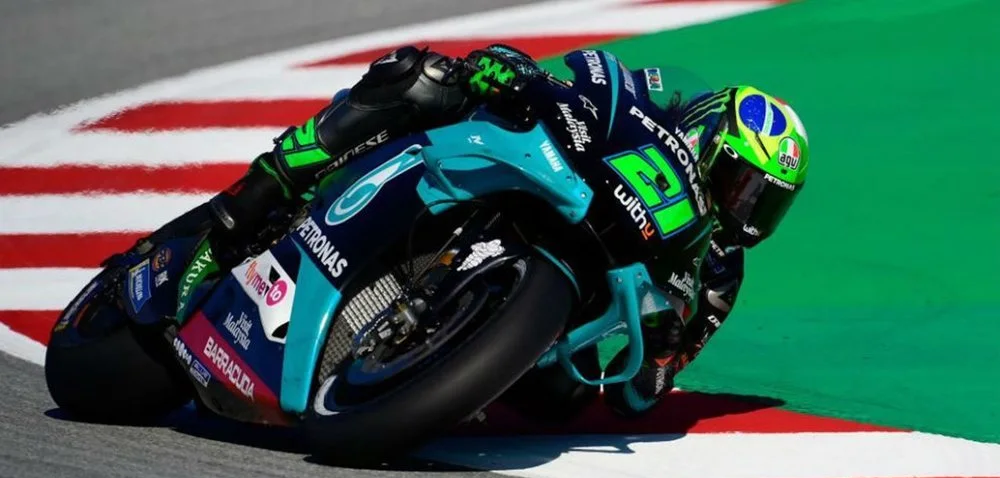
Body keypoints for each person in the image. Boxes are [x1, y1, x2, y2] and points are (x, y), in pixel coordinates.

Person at [108, 43, 811, 417]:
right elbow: (589, 82)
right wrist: (519, 74)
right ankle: (253, 198)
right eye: (741, 184)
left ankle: (433, 364)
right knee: (422, 77)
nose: (746, 209)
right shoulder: (654, 104)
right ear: (709, 135)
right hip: (555, 185)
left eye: (764, 204)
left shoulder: (719, 274)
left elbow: (642, 394)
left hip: (558, 327)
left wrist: (661, 351)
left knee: (565, 405)